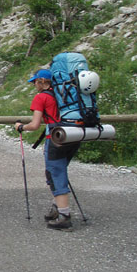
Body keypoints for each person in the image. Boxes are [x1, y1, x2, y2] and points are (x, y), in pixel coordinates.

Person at [15, 69, 80, 231]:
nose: (34, 85)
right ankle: (57, 207)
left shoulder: (41, 97)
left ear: (43, 81)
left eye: (35, 82)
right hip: (74, 135)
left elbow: (35, 125)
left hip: (56, 138)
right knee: (59, 170)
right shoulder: (63, 94)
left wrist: (21, 127)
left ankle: (64, 216)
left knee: (54, 173)